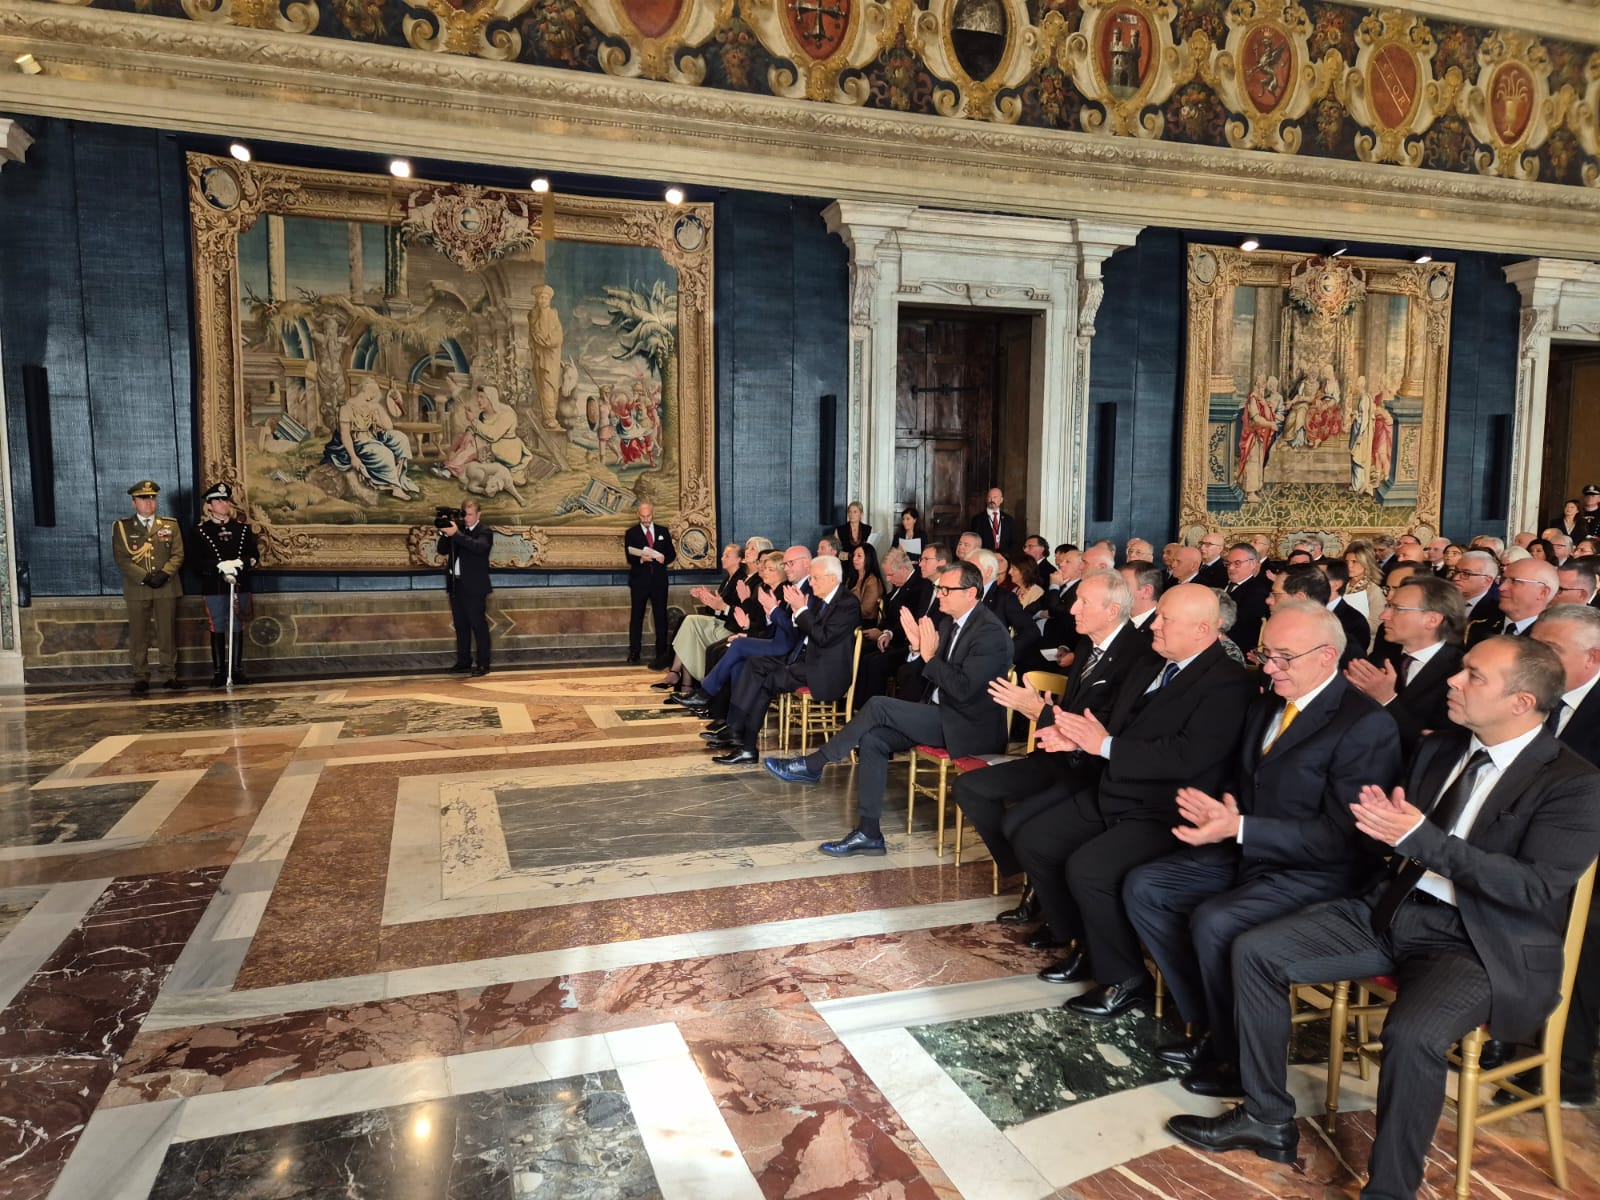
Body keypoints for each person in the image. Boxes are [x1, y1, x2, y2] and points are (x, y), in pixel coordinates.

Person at [1169, 636, 1600, 1197]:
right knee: (1253, 949)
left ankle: (1391, 1189)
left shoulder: (1574, 783)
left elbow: (1531, 887)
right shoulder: (1443, 748)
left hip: (1477, 941)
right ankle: (1267, 1117)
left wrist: (1419, 838)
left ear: (1521, 703)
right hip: (1392, 910)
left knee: (1412, 1033)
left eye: (1474, 676)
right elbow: (1389, 837)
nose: (1453, 680)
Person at [1125, 601, 1401, 1096]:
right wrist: (1221, 809)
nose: (1269, 668)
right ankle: (1211, 1022)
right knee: (1147, 887)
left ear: (1326, 657)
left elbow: (1346, 835)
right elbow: (1244, 777)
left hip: (1318, 873)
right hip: (1248, 852)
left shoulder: (1364, 724)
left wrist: (1241, 826)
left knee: (1217, 920)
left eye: (1283, 658)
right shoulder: (1270, 701)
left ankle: (1235, 1058)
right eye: (1265, 655)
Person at [1012, 584, 1256, 1017]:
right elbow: (1113, 719)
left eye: (1166, 620)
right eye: (1157, 615)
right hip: (1118, 787)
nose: (1155, 625)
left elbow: (1187, 755)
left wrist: (1103, 746)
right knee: (1036, 838)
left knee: (1088, 869)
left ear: (1203, 629)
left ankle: (1125, 977)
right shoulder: (1151, 660)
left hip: (1167, 807)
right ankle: (1084, 941)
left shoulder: (1229, 682)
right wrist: (1070, 734)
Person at [764, 560, 1012, 856]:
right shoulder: (950, 622)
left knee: (878, 704)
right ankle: (868, 833)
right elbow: (928, 673)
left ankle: (815, 764)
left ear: (971, 593)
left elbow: (962, 690)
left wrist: (929, 656)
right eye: (939, 588)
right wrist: (918, 652)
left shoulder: (991, 634)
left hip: (968, 726)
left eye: (947, 589)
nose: (940, 595)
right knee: (874, 740)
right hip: (942, 715)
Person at [955, 568, 1149, 924]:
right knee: (970, 787)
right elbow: (1073, 710)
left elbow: (1099, 725)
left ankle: (1042, 893)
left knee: (1018, 824)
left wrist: (1039, 711)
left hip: (1088, 767)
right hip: (1055, 754)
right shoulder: (1087, 642)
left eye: (1083, 602)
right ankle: (1037, 879)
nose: (1072, 609)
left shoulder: (1137, 655)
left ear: (1111, 610)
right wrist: (1046, 714)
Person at [706, 555, 861, 765]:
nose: (812, 582)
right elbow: (800, 632)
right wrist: (792, 611)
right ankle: (736, 728)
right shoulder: (821, 598)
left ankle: (747, 746)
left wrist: (801, 609)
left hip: (825, 671)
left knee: (766, 682)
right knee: (754, 664)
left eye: (815, 578)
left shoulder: (847, 603)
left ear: (832, 579)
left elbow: (823, 638)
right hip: (803, 659)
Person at [112, 480, 185, 696]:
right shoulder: (123, 528)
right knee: (138, 635)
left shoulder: (170, 525)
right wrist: (144, 577)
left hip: (166, 586)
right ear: (134, 502)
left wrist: (164, 573)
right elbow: (122, 559)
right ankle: (140, 676)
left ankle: (169, 675)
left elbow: (178, 554)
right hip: (137, 588)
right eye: (143, 499)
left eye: (152, 498)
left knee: (167, 633)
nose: (149, 503)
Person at [658, 541, 753, 693]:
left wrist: (716, 605)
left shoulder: (740, 580)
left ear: (738, 560)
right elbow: (718, 608)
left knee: (690, 626)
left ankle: (678, 676)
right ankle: (683, 682)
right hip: (722, 623)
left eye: (727, 556)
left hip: (730, 628)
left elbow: (733, 611)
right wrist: (707, 599)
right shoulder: (727, 580)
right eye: (723, 555)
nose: (722, 558)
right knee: (689, 625)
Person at [191, 482, 260, 687]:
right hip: (215, 586)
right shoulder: (200, 532)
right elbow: (196, 563)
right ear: (209, 505)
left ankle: (237, 670)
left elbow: (254, 555)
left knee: (238, 625)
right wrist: (218, 565)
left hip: (239, 584)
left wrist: (241, 563)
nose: (223, 504)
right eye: (218, 500)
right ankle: (219, 671)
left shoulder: (243, 530)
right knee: (218, 626)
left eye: (225, 500)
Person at [853, 546, 932, 701]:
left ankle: (871, 707)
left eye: (890, 575)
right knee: (861, 654)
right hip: (890, 636)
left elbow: (909, 621)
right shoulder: (900, 584)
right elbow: (890, 617)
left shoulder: (918, 586)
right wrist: (882, 631)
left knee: (875, 663)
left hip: (905, 642)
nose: (888, 579)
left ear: (903, 569)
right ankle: (855, 704)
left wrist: (887, 633)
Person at [324, 378, 419, 498]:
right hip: (359, 443)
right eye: (373, 394)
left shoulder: (372, 406)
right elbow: (345, 435)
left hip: (374, 438)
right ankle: (395, 487)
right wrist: (353, 457)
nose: (374, 397)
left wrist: (378, 412)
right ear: (365, 391)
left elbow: (388, 427)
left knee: (401, 439)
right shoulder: (346, 408)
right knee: (386, 454)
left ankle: (399, 477)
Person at [438, 500, 493, 676]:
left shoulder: (484, 531)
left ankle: (483, 663)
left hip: (475, 587)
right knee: (461, 626)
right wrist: (447, 534)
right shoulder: (459, 531)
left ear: (478, 515)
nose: (466, 518)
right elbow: (442, 550)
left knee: (478, 625)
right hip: (457, 585)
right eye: (465, 514)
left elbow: (479, 547)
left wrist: (456, 534)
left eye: (470, 514)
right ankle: (464, 661)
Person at [624, 501, 676, 667]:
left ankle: (661, 653)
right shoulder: (631, 533)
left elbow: (671, 554)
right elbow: (629, 556)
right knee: (636, 617)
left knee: (660, 617)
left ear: (653, 514)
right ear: (638, 515)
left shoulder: (663, 531)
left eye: (648, 516)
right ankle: (634, 652)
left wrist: (663, 559)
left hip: (659, 581)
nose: (646, 519)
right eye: (643, 516)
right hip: (639, 581)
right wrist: (641, 558)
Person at [1219, 542, 1270, 654]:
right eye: (1228, 563)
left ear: (1253, 564)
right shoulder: (1219, 583)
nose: (1231, 568)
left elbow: (1243, 629)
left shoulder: (1258, 592)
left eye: (1237, 563)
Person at [971, 487, 1017, 555]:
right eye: (989, 497)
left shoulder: (1008, 519)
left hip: (1004, 557)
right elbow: (975, 541)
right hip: (985, 556)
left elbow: (1014, 541)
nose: (992, 500)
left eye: (995, 497)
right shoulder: (978, 519)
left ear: (1001, 500)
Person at [850, 542, 885, 626]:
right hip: (850, 619)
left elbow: (866, 611)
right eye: (854, 555)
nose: (854, 559)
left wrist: (843, 609)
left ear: (868, 558)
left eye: (859, 556)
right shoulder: (852, 577)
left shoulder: (873, 581)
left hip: (864, 624)